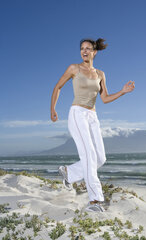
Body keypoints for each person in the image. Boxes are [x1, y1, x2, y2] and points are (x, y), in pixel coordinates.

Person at [50, 38, 135, 212]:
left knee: (100, 158)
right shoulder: (74, 68)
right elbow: (57, 87)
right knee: (88, 155)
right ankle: (95, 201)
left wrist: (122, 92)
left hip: (92, 116)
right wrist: (53, 108)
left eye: (88, 48)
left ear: (95, 52)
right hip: (77, 114)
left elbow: (104, 98)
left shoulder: (100, 74)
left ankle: (69, 172)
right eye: (82, 48)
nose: (85, 51)